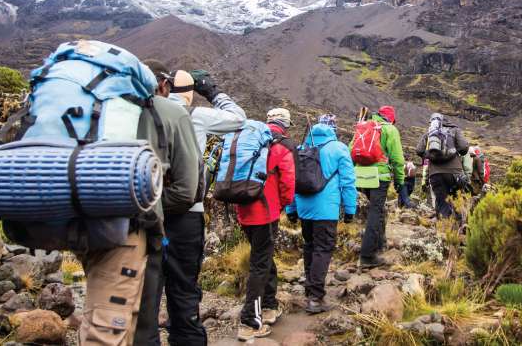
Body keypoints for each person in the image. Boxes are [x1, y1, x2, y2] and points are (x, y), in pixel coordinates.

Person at [84, 61, 198, 346]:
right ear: (163, 85)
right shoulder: (171, 113)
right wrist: (151, 203)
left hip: (91, 224)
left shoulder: (99, 107)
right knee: (142, 322)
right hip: (140, 231)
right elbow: (186, 191)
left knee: (100, 315)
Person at [136, 64, 246, 346]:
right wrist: (213, 92)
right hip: (185, 215)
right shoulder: (196, 115)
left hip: (142, 212)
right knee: (184, 293)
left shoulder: (135, 113)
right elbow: (239, 118)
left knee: (144, 297)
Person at [236, 108, 296, 341]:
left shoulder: (249, 141)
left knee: (263, 257)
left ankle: (269, 306)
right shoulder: (282, 147)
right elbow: (288, 184)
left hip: (244, 209)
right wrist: (282, 205)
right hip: (266, 212)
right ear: (285, 125)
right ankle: (249, 322)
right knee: (260, 265)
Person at [287, 119, 357, 314]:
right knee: (323, 249)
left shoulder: (301, 148)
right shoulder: (339, 148)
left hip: (304, 209)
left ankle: (310, 289)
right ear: (332, 132)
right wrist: (350, 209)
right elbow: (348, 182)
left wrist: (291, 209)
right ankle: (316, 298)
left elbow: (291, 180)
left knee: (309, 246)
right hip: (326, 210)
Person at [354, 105, 405, 268]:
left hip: (360, 177)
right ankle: (367, 256)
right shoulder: (390, 130)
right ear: (392, 119)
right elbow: (397, 159)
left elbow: (351, 150)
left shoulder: (363, 127)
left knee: (378, 210)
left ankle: (380, 244)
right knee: (375, 212)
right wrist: (400, 181)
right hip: (379, 177)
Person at [415, 113, 469, 221]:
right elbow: (463, 148)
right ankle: (459, 226)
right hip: (455, 173)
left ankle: (443, 226)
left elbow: (419, 150)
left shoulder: (430, 133)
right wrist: (453, 151)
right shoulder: (455, 130)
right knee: (457, 200)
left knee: (442, 202)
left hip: (436, 174)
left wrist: (429, 156)